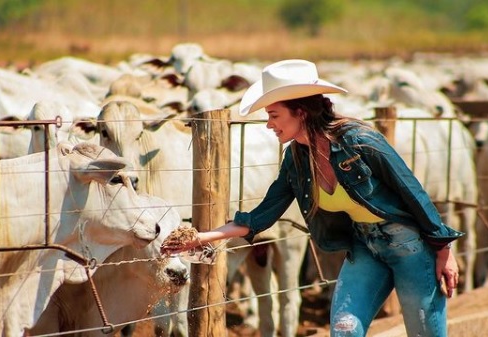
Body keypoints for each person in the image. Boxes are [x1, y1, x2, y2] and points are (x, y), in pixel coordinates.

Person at [160, 59, 463, 337]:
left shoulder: (361, 141)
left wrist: (443, 250)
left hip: (410, 247)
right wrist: (200, 238)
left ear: (300, 112)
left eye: (274, 115)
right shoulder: (296, 159)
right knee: (344, 330)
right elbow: (262, 216)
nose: (269, 124)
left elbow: (412, 191)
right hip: (365, 247)